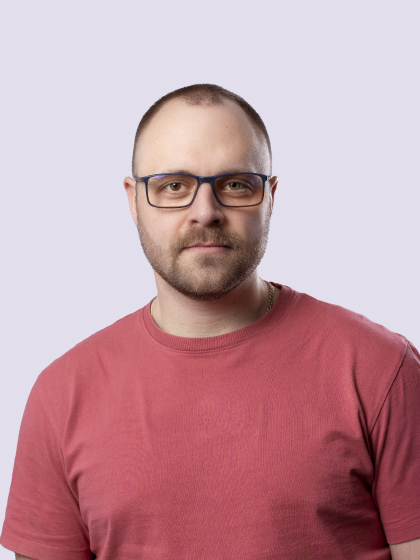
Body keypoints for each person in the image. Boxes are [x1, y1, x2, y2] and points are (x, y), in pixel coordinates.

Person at [1, 84, 419, 560]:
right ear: (134, 200)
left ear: (270, 197)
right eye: (173, 186)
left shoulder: (380, 370)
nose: (205, 212)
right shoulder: (61, 395)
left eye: (236, 184)